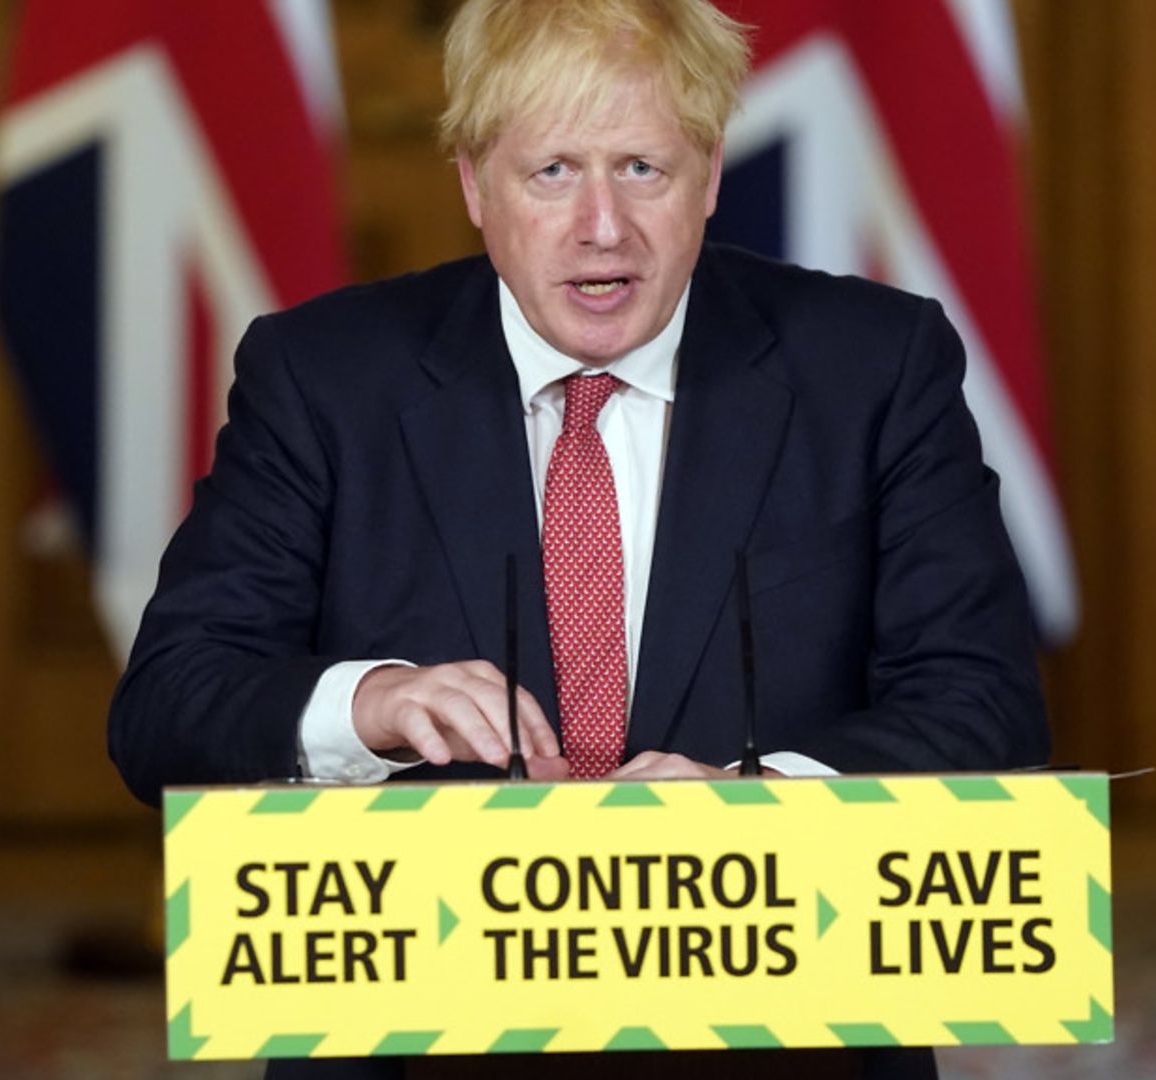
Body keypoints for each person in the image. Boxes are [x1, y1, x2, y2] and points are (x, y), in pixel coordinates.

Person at [110, 0, 1046, 1075]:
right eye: (551, 172)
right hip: (422, 1041)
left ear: (707, 174)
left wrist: (764, 802)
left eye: (642, 168)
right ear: (473, 184)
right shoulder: (324, 381)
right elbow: (164, 710)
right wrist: (369, 706)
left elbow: (986, 707)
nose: (603, 226)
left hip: (779, 1031)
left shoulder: (873, 369)